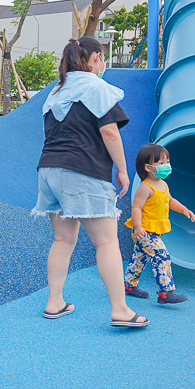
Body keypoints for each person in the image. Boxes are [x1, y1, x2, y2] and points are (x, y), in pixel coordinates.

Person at [32, 36, 147, 328]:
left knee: (63, 238)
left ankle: (54, 302)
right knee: (106, 240)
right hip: (80, 171)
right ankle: (120, 310)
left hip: (49, 170)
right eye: (103, 57)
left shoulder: (57, 91)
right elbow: (109, 132)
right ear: (95, 57)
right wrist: (122, 169)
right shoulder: (95, 87)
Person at [123, 144, 195, 304]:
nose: (166, 166)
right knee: (162, 256)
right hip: (145, 231)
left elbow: (170, 200)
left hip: (155, 230)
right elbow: (136, 207)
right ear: (148, 167)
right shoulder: (145, 187)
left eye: (167, 161)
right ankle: (166, 292)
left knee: (139, 258)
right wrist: (138, 227)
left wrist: (184, 209)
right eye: (161, 163)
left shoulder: (163, 184)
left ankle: (128, 285)